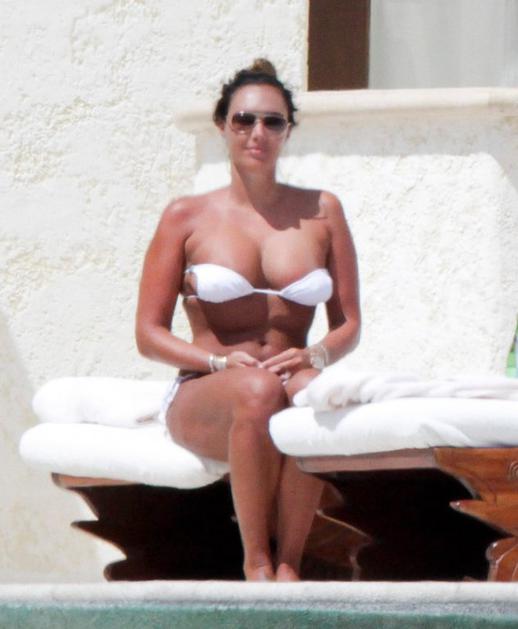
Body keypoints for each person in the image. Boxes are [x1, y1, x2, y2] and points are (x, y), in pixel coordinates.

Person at [136, 59, 360, 581]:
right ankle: (256, 562)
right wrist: (216, 361)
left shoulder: (323, 211)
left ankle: (290, 565)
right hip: (207, 391)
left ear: (287, 131)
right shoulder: (186, 216)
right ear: (222, 126)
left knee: (310, 392)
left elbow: (348, 323)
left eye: (273, 121)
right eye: (244, 120)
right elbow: (148, 333)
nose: (258, 132)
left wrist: (314, 354)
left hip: (286, 380)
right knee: (258, 390)